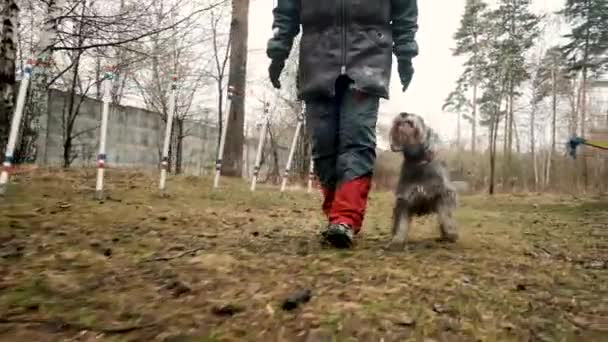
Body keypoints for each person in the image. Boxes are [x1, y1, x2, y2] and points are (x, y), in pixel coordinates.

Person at [266, 0, 419, 248]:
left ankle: (345, 219)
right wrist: (278, 51)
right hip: (317, 58)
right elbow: (286, 10)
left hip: (369, 58)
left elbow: (405, 11)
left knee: (357, 137)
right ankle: (335, 214)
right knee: (323, 142)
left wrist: (406, 54)